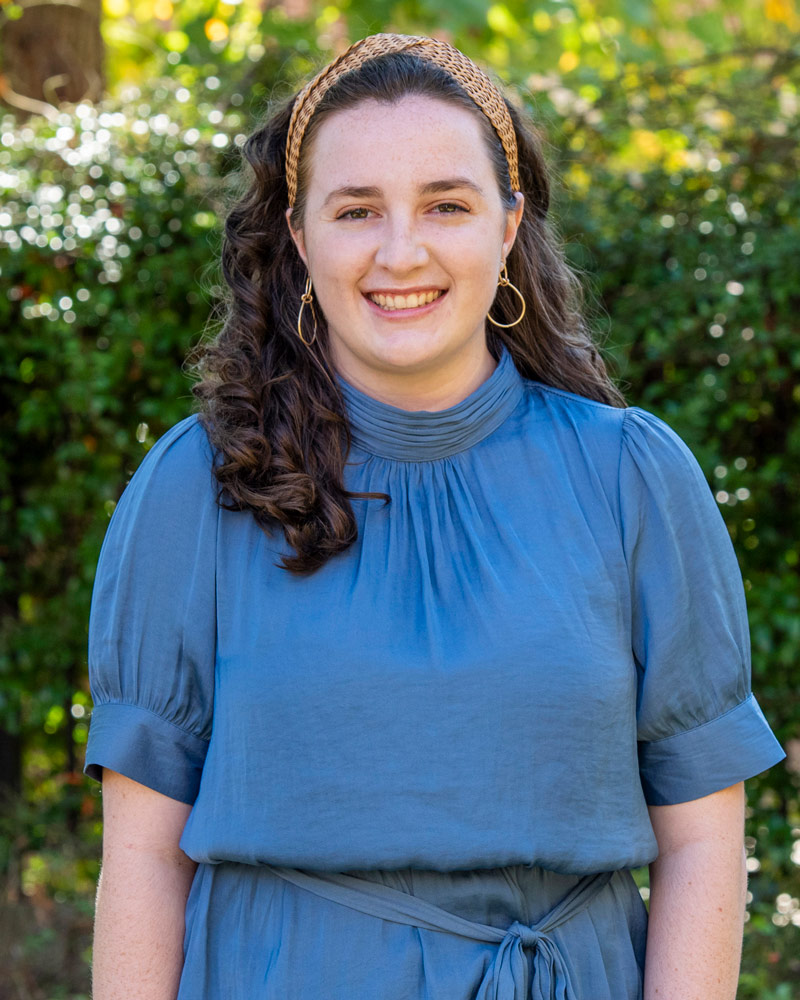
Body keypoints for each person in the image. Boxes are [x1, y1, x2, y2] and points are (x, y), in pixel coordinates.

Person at [83, 32, 786, 1000]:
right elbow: (142, 857)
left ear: (506, 226)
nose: (399, 251)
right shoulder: (194, 484)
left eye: (444, 205)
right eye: (356, 209)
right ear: (299, 235)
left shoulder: (630, 477)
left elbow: (702, 834)